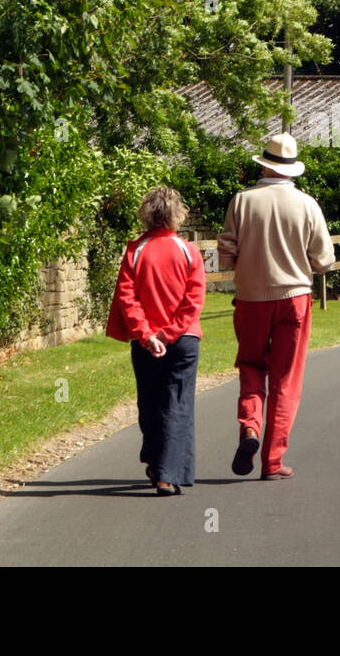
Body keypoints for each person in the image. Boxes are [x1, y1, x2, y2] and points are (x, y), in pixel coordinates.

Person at [219, 134, 335, 481]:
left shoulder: (242, 201)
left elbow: (226, 253)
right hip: (294, 298)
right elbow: (324, 260)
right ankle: (272, 462)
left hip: (251, 299)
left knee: (251, 366)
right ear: (290, 169)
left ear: (265, 164)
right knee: (286, 379)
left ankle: (250, 429)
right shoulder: (307, 204)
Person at [106, 186, 205, 495]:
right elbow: (194, 298)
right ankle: (168, 471)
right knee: (177, 404)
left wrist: (148, 334)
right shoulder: (189, 251)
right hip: (184, 339)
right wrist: (170, 332)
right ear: (177, 214)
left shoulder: (135, 251)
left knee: (149, 404)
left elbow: (127, 297)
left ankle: (160, 467)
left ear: (147, 214)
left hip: (146, 342)